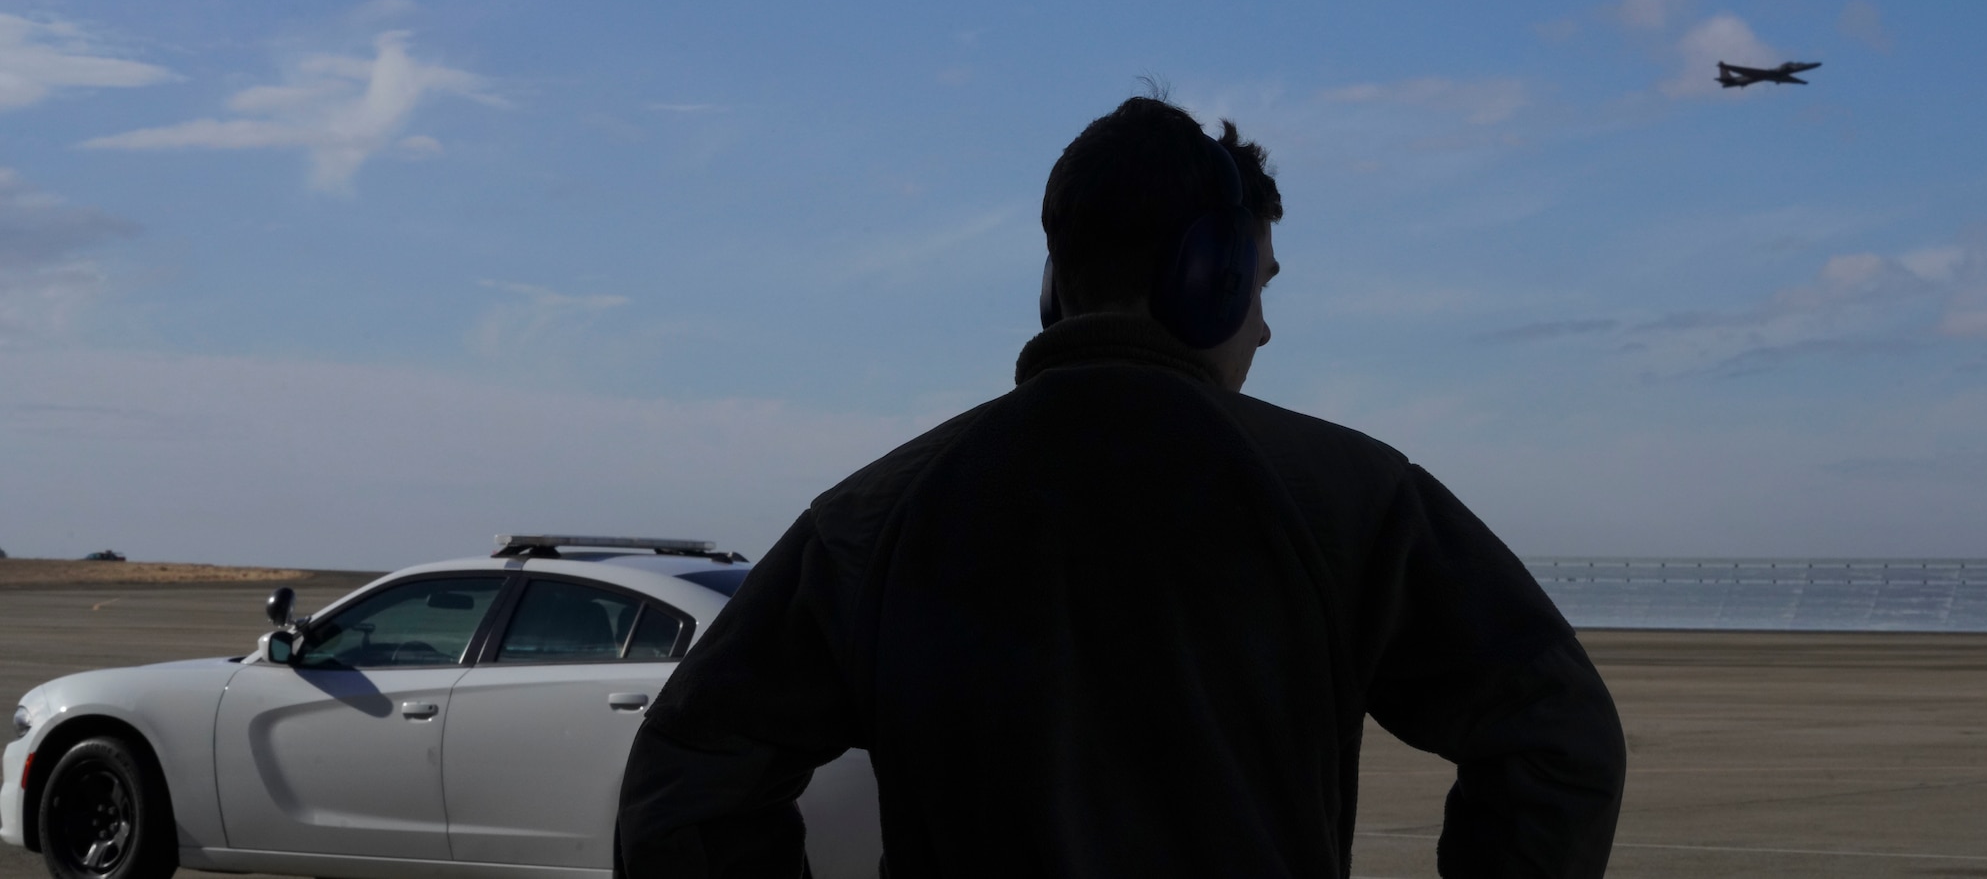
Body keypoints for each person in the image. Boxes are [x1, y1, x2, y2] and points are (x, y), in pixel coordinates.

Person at [620, 96, 1626, 878]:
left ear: (1052, 284)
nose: (1265, 328)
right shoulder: (1350, 499)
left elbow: (685, 783)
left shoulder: (874, 518)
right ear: (1211, 277)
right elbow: (1556, 736)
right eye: (1261, 287)